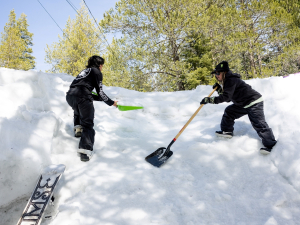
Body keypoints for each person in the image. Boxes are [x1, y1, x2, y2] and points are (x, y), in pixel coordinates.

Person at [200, 61, 277, 154]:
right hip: (243, 104)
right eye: (215, 73)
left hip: (253, 102)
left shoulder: (230, 80)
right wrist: (220, 90)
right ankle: (227, 131)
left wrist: (209, 100)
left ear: (224, 72)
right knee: (229, 111)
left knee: (258, 123)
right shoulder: (227, 81)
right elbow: (228, 98)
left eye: (218, 73)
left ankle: (271, 145)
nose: (216, 75)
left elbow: (226, 97)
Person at [66, 55, 118, 162]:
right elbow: (100, 92)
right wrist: (111, 103)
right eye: (102, 65)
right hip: (82, 96)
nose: (102, 67)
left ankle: (78, 129)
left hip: (70, 96)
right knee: (88, 123)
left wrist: (100, 99)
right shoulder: (97, 72)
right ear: (99, 64)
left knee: (78, 110)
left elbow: (84, 91)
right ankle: (85, 151)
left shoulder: (85, 72)